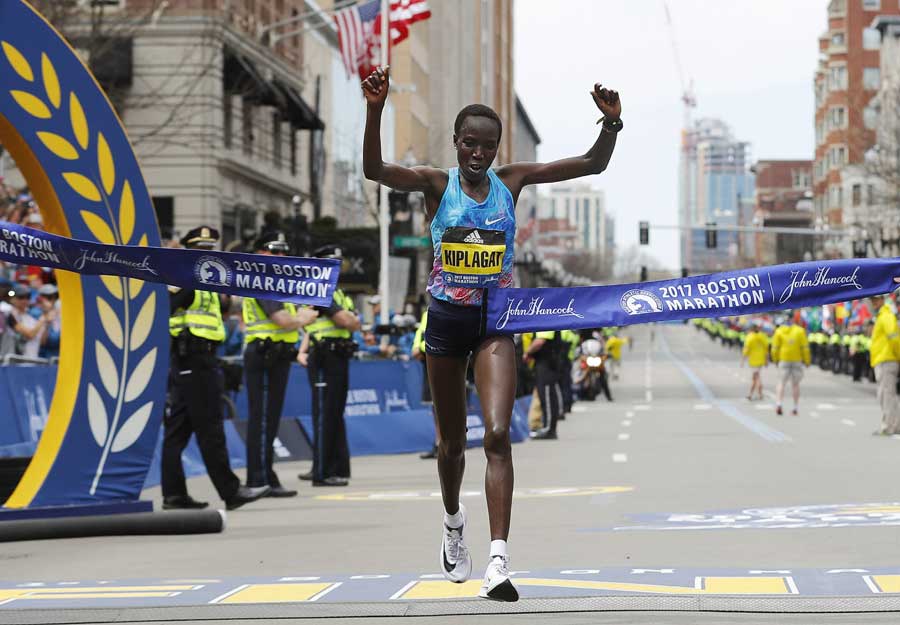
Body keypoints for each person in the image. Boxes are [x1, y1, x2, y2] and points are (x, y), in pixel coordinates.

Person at [362, 65, 621, 601]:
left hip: (497, 323)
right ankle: (454, 521)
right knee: (451, 445)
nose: (478, 154)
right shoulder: (436, 184)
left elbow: (591, 165)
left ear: (497, 148)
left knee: (497, 435)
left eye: (487, 146)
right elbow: (374, 169)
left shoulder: (513, 181)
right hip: (446, 323)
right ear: (457, 144)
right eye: (469, 144)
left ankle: (498, 562)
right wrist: (374, 110)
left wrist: (610, 126)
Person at [163, 227, 270, 510]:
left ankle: (173, 495)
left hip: (200, 360)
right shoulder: (185, 276)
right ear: (189, 249)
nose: (207, 253)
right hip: (192, 359)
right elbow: (167, 307)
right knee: (210, 428)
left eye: (210, 249)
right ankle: (231, 491)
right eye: (201, 248)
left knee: (178, 430)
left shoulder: (204, 278)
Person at [242, 231, 319, 496]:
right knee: (262, 418)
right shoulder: (262, 278)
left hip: (275, 354)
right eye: (275, 251)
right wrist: (303, 319)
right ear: (262, 253)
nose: (281, 256)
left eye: (284, 251)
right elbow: (281, 320)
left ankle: (266, 475)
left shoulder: (276, 280)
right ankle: (258, 478)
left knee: (269, 418)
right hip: (264, 353)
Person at [297, 245, 361, 487]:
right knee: (325, 414)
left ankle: (335, 467)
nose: (337, 268)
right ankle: (322, 471)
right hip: (324, 356)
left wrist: (350, 320)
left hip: (336, 355)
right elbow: (346, 320)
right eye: (332, 263)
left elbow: (353, 322)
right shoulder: (320, 289)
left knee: (332, 414)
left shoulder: (337, 292)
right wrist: (350, 320)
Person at [869, 294, 900, 436]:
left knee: (886, 395)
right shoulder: (883, 315)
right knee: (886, 395)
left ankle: (889, 426)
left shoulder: (886, 315)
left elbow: (894, 339)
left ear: (882, 299)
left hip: (887, 360)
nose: (873, 302)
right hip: (883, 359)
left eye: (876, 299)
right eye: (872, 300)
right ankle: (893, 425)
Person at [524, 331, 564, 440]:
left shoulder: (546, 321)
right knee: (546, 397)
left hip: (547, 365)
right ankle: (549, 428)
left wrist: (527, 353)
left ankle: (549, 429)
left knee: (548, 398)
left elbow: (539, 342)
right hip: (546, 364)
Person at [771, 313, 810, 416]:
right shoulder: (800, 331)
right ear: (793, 319)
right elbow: (805, 348)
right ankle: (795, 408)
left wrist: (775, 360)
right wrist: (807, 361)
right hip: (796, 359)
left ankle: (779, 404)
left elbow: (774, 348)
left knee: (781, 383)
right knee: (795, 384)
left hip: (783, 359)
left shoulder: (779, 331)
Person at [741, 323, 768, 401]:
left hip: (753, 360)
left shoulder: (750, 337)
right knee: (755, 377)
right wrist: (766, 360)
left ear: (751, 329)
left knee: (756, 378)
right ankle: (754, 394)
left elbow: (746, 350)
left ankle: (757, 394)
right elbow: (766, 349)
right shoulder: (762, 336)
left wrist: (743, 360)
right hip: (761, 359)